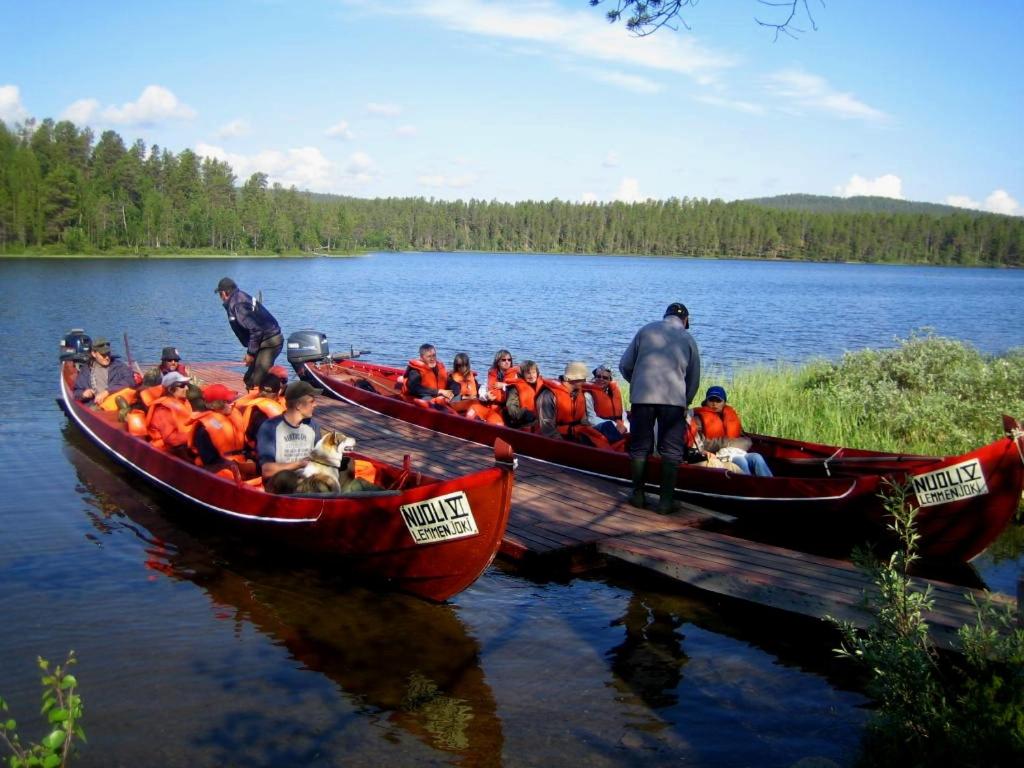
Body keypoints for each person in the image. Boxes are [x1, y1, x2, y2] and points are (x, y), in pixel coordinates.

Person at [619, 302, 701, 513]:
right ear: (685, 321)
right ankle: (665, 502)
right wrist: (687, 400)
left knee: (640, 447)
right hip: (673, 401)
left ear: (665, 315)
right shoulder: (688, 338)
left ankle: (638, 495)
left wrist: (637, 383)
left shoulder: (645, 330)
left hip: (642, 398)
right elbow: (694, 378)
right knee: (671, 451)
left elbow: (624, 365)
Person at [215, 277, 284, 390]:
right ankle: (259, 401)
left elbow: (256, 330)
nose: (220, 298)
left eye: (219, 294)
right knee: (249, 379)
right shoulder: (239, 297)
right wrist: (251, 352)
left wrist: (251, 354)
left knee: (256, 382)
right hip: (263, 342)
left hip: (270, 342)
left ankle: (273, 398)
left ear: (224, 293)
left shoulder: (237, 304)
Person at [692, 386, 773, 477]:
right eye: (711, 400)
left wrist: (734, 444)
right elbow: (701, 444)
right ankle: (749, 487)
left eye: (718, 401)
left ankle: (771, 486)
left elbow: (745, 440)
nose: (714, 404)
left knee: (756, 457)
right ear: (706, 402)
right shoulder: (698, 419)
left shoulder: (730, 417)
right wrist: (727, 443)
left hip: (735, 451)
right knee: (740, 461)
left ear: (724, 403)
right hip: (717, 454)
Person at [536, 361, 619, 447]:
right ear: (574, 379)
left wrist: (593, 433)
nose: (585, 381)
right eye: (583, 379)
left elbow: (584, 421)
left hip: (576, 432)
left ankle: (619, 450)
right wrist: (564, 446)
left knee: (607, 427)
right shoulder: (548, 395)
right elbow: (548, 429)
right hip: (560, 437)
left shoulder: (578, 393)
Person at [256, 380, 323, 483]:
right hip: (280, 485)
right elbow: (267, 470)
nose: (315, 405)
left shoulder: (313, 426)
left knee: (347, 465)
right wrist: (299, 464)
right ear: (299, 405)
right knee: (287, 478)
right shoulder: (270, 428)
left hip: (307, 482)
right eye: (311, 401)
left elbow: (320, 457)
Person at [73, 337, 137, 413]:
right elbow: (76, 392)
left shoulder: (119, 366)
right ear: (94, 354)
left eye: (108, 354)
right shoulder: (86, 370)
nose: (107, 357)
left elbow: (130, 381)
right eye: (103, 355)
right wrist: (83, 394)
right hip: (96, 408)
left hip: (116, 406)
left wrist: (107, 392)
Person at [189, 383, 247, 468]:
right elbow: (210, 461)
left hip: (240, 462)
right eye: (226, 401)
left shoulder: (233, 415)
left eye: (230, 400)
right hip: (221, 471)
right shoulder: (204, 430)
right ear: (212, 405)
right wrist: (239, 466)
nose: (231, 404)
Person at [145, 371, 195, 457]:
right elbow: (171, 439)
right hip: (168, 452)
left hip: (185, 445)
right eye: (182, 386)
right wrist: (195, 436)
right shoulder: (162, 409)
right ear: (171, 389)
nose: (186, 388)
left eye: (187, 385)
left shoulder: (183, 402)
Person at [449, 353, 504, 425]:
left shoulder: (471, 377)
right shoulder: (453, 380)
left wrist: (487, 394)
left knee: (489, 403)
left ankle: (496, 422)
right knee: (475, 402)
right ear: (456, 366)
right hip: (459, 403)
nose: (463, 368)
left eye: (465, 365)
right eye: (459, 365)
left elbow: (477, 389)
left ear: (468, 365)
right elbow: (453, 397)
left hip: (473, 401)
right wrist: (467, 397)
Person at [583, 365, 629, 438]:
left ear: (610, 380)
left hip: (617, 424)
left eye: (605, 378)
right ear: (594, 377)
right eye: (598, 376)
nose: (601, 379)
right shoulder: (588, 395)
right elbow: (591, 418)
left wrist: (624, 425)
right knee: (609, 427)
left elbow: (622, 414)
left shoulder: (614, 393)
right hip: (600, 426)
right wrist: (615, 425)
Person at [503, 360, 544, 428]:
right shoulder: (514, 389)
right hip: (524, 423)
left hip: (541, 420)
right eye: (528, 373)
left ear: (537, 373)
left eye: (533, 372)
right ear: (522, 374)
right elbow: (512, 409)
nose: (532, 376)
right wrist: (526, 414)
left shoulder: (542, 386)